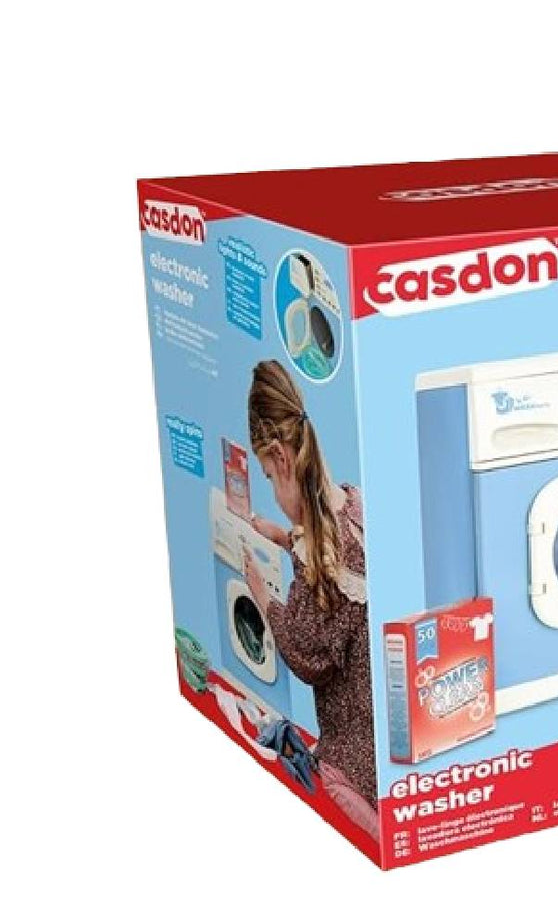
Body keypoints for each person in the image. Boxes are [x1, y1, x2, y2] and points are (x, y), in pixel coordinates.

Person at [242, 359, 378, 839]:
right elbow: (336, 573)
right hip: (380, 721)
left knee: (325, 777)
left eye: (267, 475)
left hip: (360, 753)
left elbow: (308, 655)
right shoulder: (352, 504)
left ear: (281, 458)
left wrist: (263, 597)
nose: (271, 488)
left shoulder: (326, 566)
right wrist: (284, 539)